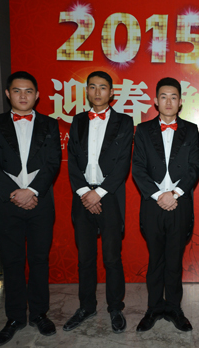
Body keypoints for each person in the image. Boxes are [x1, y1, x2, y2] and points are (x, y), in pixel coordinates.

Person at [0, 71, 61, 346]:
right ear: (8, 94)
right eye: (17, 91)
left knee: (39, 260)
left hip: (40, 203)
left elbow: (53, 163)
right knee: (12, 261)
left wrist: (32, 191)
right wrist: (14, 194)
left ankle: (39, 314)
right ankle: (14, 318)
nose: (23, 96)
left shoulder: (49, 124)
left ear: (37, 95)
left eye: (28, 91)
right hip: (7, 203)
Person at [63, 71, 132, 334]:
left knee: (112, 257)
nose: (97, 92)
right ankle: (86, 306)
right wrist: (85, 192)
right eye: (92, 87)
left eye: (103, 87)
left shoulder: (124, 122)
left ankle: (115, 307)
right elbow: (71, 160)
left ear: (111, 92)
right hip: (82, 198)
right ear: (87, 91)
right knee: (85, 258)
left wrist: (99, 193)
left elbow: (123, 164)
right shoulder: (78, 120)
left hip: (109, 197)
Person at [132, 77, 199, 332]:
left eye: (173, 97)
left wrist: (175, 194)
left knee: (174, 259)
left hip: (180, 204)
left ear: (180, 102)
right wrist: (159, 195)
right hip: (152, 204)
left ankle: (174, 308)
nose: (168, 101)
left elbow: (195, 167)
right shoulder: (143, 130)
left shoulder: (191, 130)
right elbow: (138, 168)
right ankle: (153, 308)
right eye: (163, 96)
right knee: (155, 260)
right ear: (155, 101)